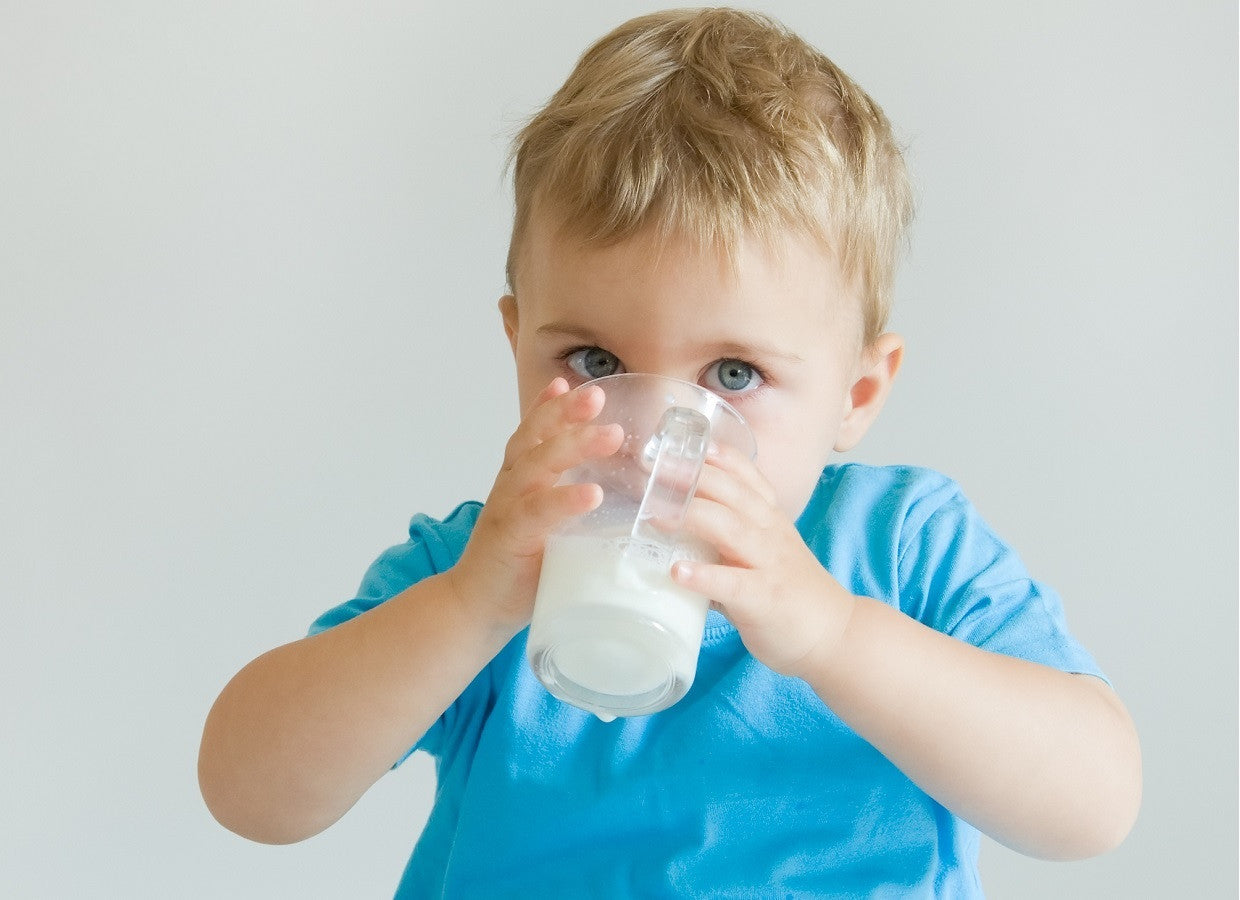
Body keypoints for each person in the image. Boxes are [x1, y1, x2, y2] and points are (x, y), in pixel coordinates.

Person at [198, 7, 1141, 896]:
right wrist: (467, 607)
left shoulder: (901, 550)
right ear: (518, 344)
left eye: (733, 375)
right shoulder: (488, 562)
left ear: (855, 394)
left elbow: (1093, 804)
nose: (657, 434)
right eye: (596, 362)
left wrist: (834, 636)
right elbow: (249, 794)